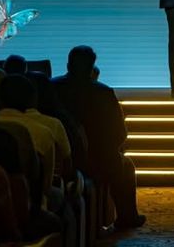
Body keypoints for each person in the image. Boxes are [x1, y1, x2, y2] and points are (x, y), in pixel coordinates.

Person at [52, 45, 146, 230]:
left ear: (68, 65)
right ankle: (127, 217)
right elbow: (120, 133)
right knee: (126, 165)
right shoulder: (104, 93)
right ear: (92, 68)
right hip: (100, 160)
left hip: (62, 161)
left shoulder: (52, 87)